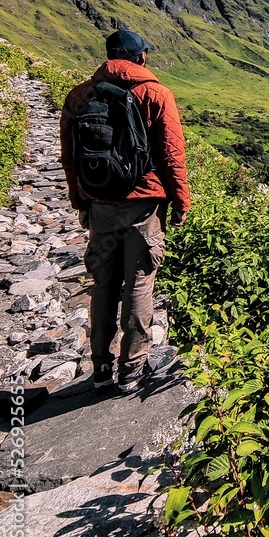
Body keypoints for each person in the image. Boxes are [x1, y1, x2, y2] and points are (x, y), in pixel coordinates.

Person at [59, 29, 191, 394]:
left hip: (100, 203)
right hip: (144, 205)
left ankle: (100, 366)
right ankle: (132, 367)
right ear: (140, 58)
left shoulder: (81, 95)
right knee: (139, 280)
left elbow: (70, 158)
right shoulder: (156, 93)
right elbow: (171, 156)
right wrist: (181, 202)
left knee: (103, 282)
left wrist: (80, 202)